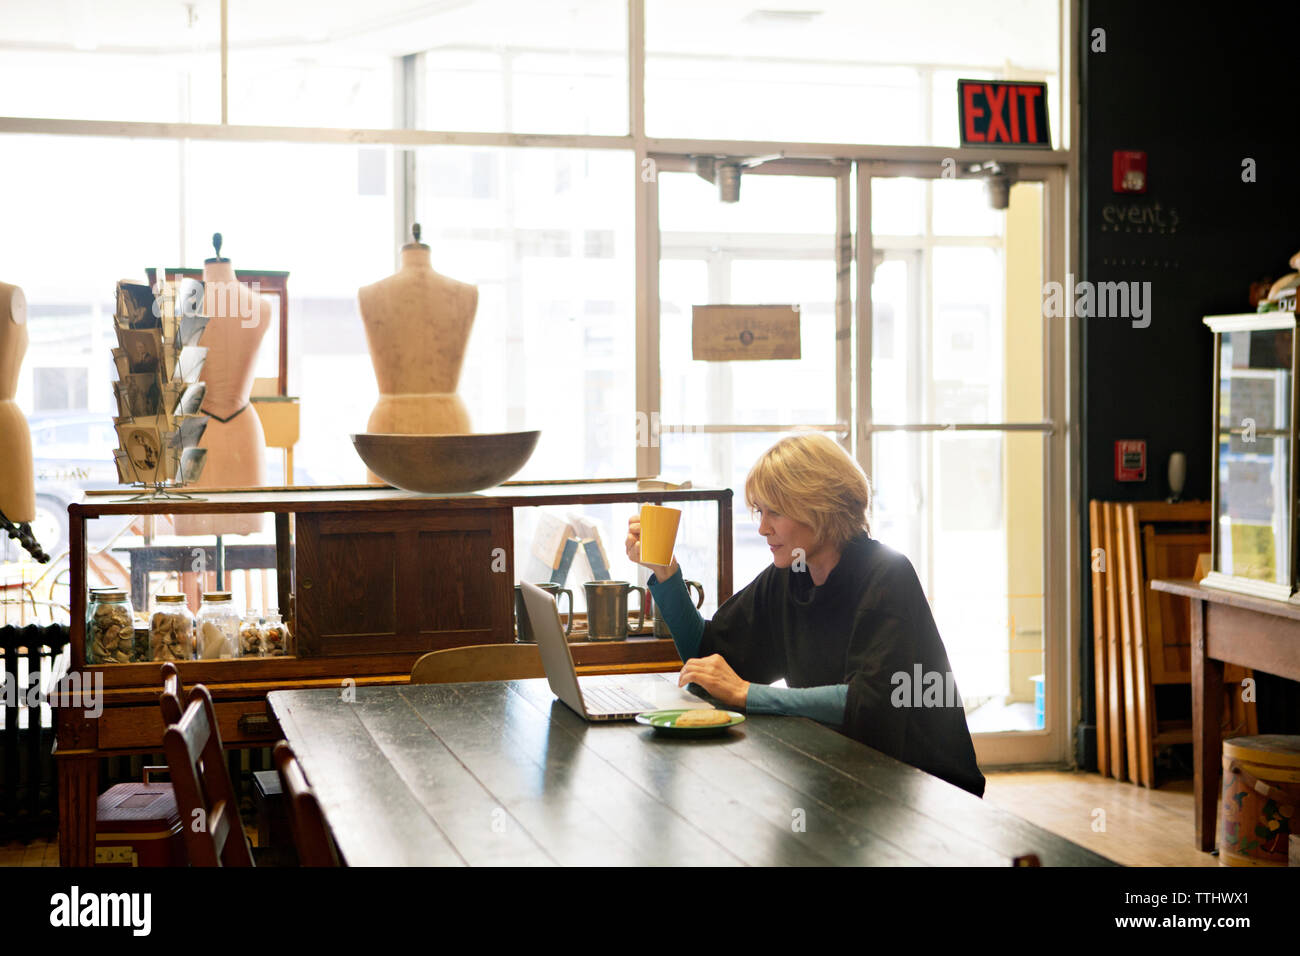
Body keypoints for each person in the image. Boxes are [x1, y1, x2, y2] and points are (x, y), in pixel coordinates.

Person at [626, 432, 986, 798]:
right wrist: (666, 573)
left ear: (819, 506)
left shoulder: (886, 574)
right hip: (847, 771)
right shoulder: (790, 574)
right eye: (760, 512)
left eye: (774, 512)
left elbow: (869, 704)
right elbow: (707, 659)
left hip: (926, 787)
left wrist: (748, 694)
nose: (763, 528)